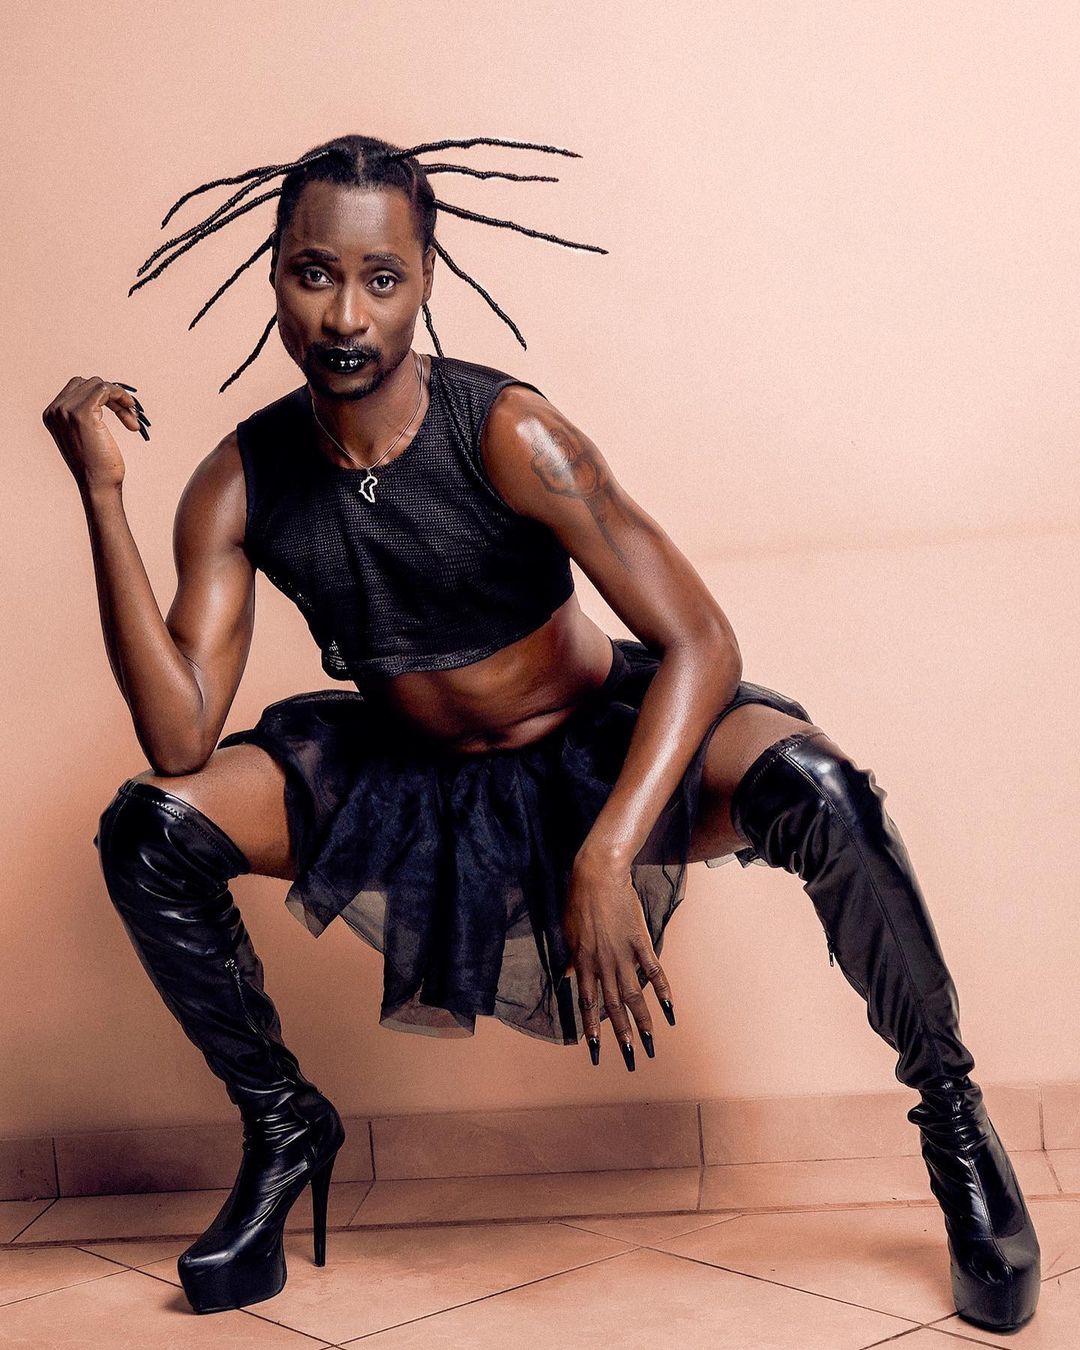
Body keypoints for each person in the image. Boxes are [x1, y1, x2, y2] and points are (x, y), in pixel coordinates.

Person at [43, 133, 1039, 1331]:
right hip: (412, 780)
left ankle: (955, 1120)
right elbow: (178, 736)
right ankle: (283, 1123)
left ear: (425, 278)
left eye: (381, 278)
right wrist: (102, 495)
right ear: (274, 276)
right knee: (148, 828)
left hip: (596, 745)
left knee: (827, 790)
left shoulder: (511, 433)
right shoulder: (239, 481)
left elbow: (702, 641)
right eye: (314, 274)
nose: (346, 315)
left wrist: (609, 852)